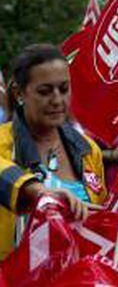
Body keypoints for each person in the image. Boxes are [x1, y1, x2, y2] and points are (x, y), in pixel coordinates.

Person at [0, 44, 107, 260]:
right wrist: (40, 193)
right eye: (44, 91)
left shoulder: (88, 150)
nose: (57, 100)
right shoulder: (4, 144)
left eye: (64, 89)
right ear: (19, 93)